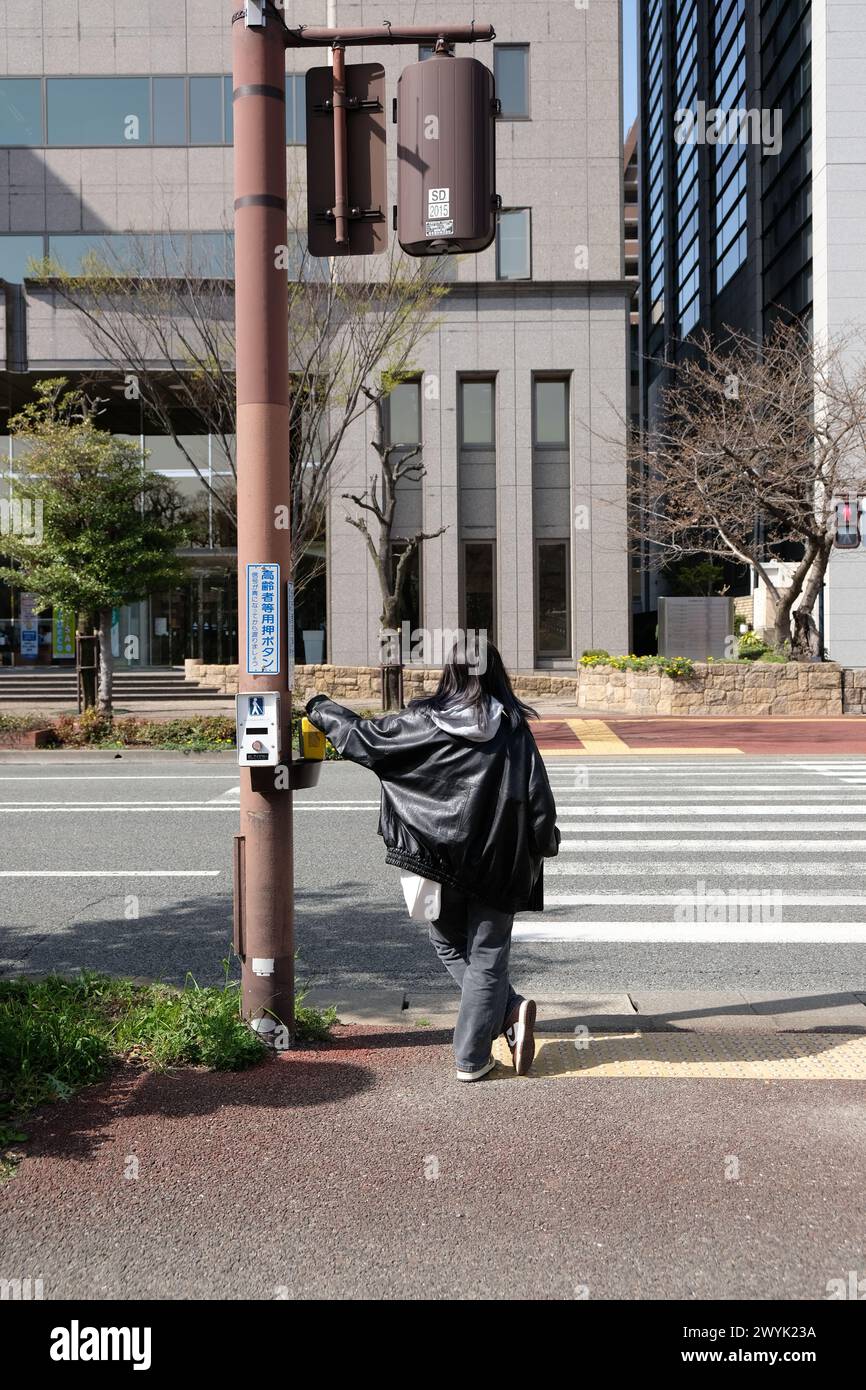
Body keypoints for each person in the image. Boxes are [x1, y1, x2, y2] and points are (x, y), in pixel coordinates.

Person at [305, 640, 560, 1082]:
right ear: (496, 673)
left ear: (451, 672)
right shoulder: (514, 728)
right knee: (487, 955)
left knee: (447, 944)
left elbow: (364, 739)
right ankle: (493, 1030)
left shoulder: (423, 721)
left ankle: (487, 1040)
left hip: (430, 859)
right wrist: (545, 844)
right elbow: (540, 802)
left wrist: (319, 705)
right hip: (500, 864)